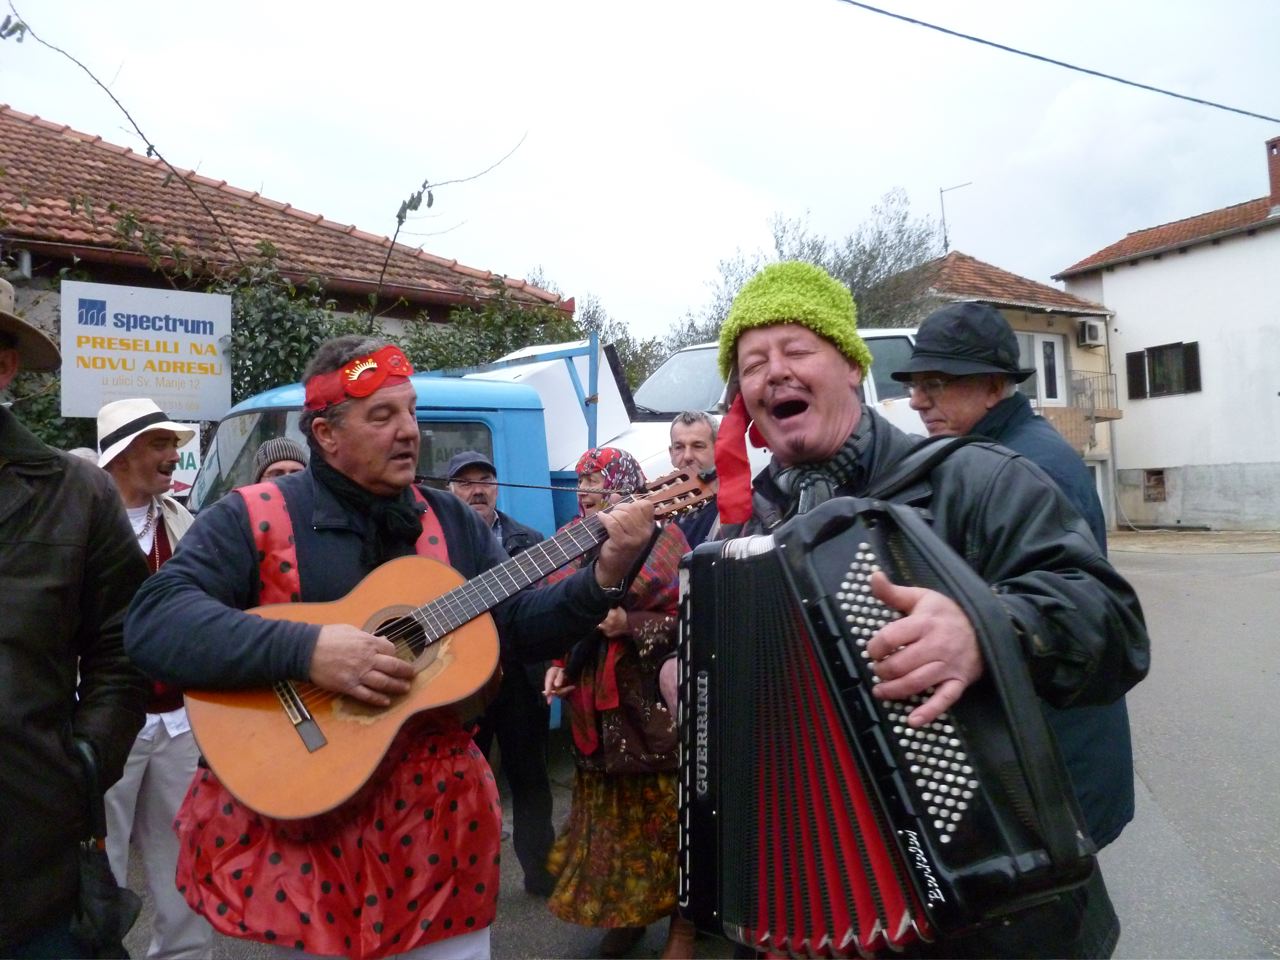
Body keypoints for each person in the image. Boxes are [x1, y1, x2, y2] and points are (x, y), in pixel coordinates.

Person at [660, 262, 1149, 959]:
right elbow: (702, 661)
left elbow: (1115, 626)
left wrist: (986, 628)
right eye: (753, 364)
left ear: (852, 366)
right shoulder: (741, 528)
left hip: (990, 911)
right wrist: (682, 673)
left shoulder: (973, 479)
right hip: (799, 901)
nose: (774, 372)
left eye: (796, 350)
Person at [124, 335, 655, 960]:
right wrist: (307, 650)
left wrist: (602, 576)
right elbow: (155, 622)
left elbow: (515, 626)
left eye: (410, 410)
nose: (409, 430)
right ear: (327, 434)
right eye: (382, 415)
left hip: (437, 835)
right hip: (302, 839)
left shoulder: (451, 520)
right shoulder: (254, 517)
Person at [890, 300, 1135, 850]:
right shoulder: (993, 450)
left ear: (994, 386)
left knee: (1059, 898)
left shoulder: (1026, 466)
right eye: (915, 384)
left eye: (936, 383)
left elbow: (1068, 609)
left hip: (1060, 755)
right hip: (1053, 743)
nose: (918, 400)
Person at [0, 277, 150, 957]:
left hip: (33, 860)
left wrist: (85, 764)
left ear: (5, 365)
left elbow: (124, 649)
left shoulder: (75, 493)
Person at [542, 447, 693, 960]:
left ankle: (683, 929)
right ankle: (629, 919)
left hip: (648, 708)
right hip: (593, 709)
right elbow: (558, 615)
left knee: (667, 825)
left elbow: (693, 621)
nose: (585, 492)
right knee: (615, 830)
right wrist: (559, 663)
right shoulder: (571, 544)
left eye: (596, 481)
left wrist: (632, 624)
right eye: (581, 481)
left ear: (626, 485)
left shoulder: (666, 539)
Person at [96, 398, 216, 960]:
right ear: (122, 455)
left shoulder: (182, 522)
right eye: (160, 444)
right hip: (104, 719)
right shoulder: (83, 521)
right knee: (101, 862)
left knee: (186, 859)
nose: (173, 456)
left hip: (178, 720)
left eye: (173, 444)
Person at [446, 450, 557, 897]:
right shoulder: (439, 542)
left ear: (496, 487)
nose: (477, 490)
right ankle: (462, 878)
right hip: (464, 682)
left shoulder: (529, 540)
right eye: (465, 482)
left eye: (485, 481)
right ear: (450, 491)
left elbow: (542, 610)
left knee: (530, 779)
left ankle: (541, 873)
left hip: (519, 679)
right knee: (461, 780)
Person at [668, 411, 720, 548]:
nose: (687, 456)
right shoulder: (664, 508)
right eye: (679, 447)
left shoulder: (732, 511)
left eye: (698, 446)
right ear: (671, 453)